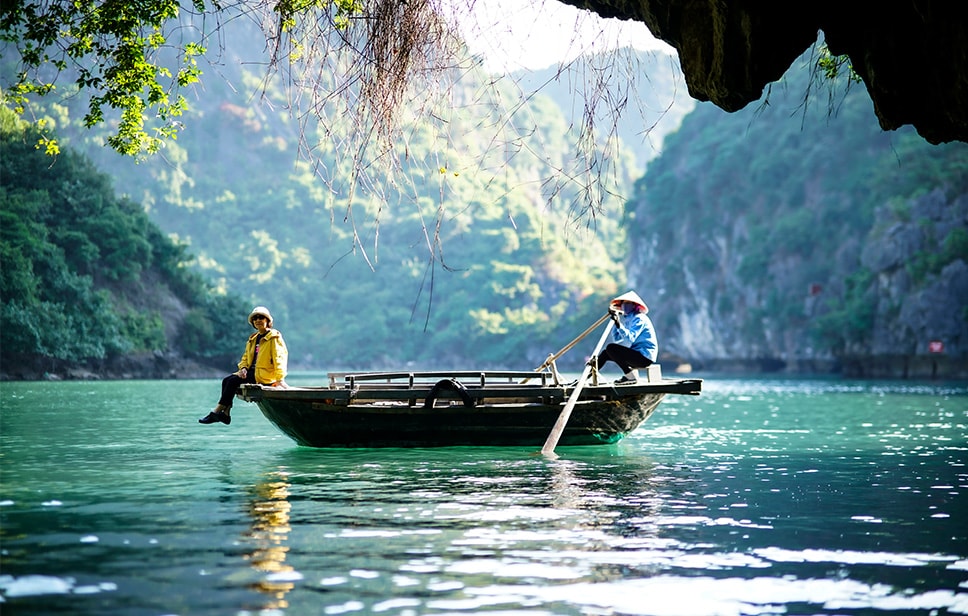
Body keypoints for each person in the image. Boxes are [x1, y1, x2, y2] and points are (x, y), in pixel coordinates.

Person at [199, 306, 289, 425]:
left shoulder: (274, 337)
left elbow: (279, 358)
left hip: (264, 375)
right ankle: (226, 413)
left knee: (232, 382)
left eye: (261, 317)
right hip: (252, 373)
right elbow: (246, 358)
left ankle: (217, 412)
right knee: (226, 380)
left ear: (268, 320)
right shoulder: (253, 339)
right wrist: (243, 369)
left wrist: (280, 379)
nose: (258, 320)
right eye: (255, 318)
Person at [593, 291, 658, 384]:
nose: (624, 306)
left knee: (611, 348)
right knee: (605, 353)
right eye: (623, 304)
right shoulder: (628, 320)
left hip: (645, 357)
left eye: (628, 303)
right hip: (636, 355)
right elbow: (617, 339)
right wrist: (616, 323)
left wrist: (619, 325)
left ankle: (630, 376)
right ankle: (586, 378)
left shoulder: (639, 318)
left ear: (634, 305)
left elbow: (630, 338)